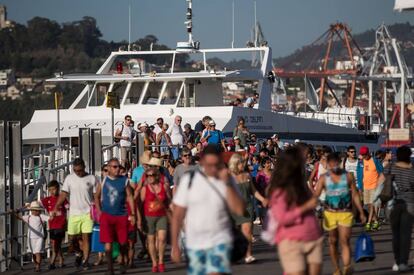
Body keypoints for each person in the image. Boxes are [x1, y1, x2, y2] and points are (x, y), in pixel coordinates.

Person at [171, 145, 244, 274]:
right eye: (208, 164)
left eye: (215, 164)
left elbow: (239, 210)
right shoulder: (190, 180)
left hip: (220, 240)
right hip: (195, 243)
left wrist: (227, 183)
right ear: (202, 161)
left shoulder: (227, 180)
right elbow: (177, 215)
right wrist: (175, 246)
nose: (212, 168)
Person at [268, 147, 323, 275]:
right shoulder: (279, 190)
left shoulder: (302, 186)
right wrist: (306, 206)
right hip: (292, 240)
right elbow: (282, 218)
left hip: (313, 237)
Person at [314, 152, 366, 275]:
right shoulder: (323, 178)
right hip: (329, 214)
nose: (334, 166)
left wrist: (361, 212)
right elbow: (316, 196)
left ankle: (347, 267)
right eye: (331, 164)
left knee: (345, 240)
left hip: (345, 213)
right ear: (327, 165)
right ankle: (337, 269)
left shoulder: (348, 176)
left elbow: (355, 194)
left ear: (340, 163)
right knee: (333, 241)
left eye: (336, 163)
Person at [52, 158, 98, 270]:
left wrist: (99, 209)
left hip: (87, 212)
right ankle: (79, 253)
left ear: (84, 168)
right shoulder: (69, 178)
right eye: (75, 170)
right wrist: (56, 207)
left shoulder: (92, 178)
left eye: (80, 170)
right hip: (74, 213)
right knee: (72, 238)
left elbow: (97, 195)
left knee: (86, 237)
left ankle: (86, 261)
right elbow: (63, 194)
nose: (78, 173)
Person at [94, 158, 137, 275]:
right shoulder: (104, 181)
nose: (117, 169)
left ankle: (122, 261)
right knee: (108, 244)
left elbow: (129, 196)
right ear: (108, 168)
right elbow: (96, 196)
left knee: (123, 243)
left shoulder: (124, 180)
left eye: (118, 166)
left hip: (121, 215)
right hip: (107, 216)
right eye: (114, 167)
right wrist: (98, 211)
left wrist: (132, 213)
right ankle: (110, 268)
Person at [228, 154, 268, 264]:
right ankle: (234, 255)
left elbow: (253, 191)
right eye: (241, 163)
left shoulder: (247, 176)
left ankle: (248, 255)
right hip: (233, 208)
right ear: (235, 164)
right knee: (233, 234)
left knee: (247, 232)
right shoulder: (229, 177)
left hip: (247, 207)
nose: (243, 164)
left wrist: (263, 199)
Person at [140, 164, 171, 273]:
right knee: (151, 240)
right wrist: (140, 219)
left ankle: (161, 260)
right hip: (149, 217)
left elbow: (169, 201)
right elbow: (140, 203)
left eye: (153, 175)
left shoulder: (164, 186)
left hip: (162, 215)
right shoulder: (145, 188)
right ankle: (154, 262)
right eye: (148, 176)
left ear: (157, 176)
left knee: (162, 239)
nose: (150, 177)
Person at [389, 146, 414, 272]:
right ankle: (403, 262)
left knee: (396, 234)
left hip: (394, 203)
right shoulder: (411, 170)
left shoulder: (391, 167)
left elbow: (383, 180)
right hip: (409, 203)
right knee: (405, 234)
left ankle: (396, 261)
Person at [13, 201, 49, 272]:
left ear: (39, 211)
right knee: (33, 253)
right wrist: (15, 212)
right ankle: (36, 264)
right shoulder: (28, 217)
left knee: (38, 252)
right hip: (31, 238)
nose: (35, 211)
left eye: (37, 210)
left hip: (39, 237)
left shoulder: (41, 216)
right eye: (33, 210)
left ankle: (38, 266)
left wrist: (54, 215)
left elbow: (50, 218)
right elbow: (19, 217)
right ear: (31, 210)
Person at [41, 180, 68, 270]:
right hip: (52, 225)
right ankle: (61, 259)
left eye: (54, 189)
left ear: (58, 189)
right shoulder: (47, 200)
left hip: (61, 224)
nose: (52, 191)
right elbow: (36, 204)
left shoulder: (62, 198)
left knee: (55, 243)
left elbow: (69, 207)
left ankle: (52, 262)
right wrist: (22, 207)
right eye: (50, 190)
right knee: (56, 243)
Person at [356, 146, 384, 231]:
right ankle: (376, 221)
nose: (364, 156)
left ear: (368, 153)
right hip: (365, 187)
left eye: (365, 154)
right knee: (368, 206)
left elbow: (382, 173)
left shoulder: (375, 161)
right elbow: (359, 175)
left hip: (374, 186)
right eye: (362, 154)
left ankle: (368, 223)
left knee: (371, 205)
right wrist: (360, 188)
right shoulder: (360, 162)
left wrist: (379, 186)